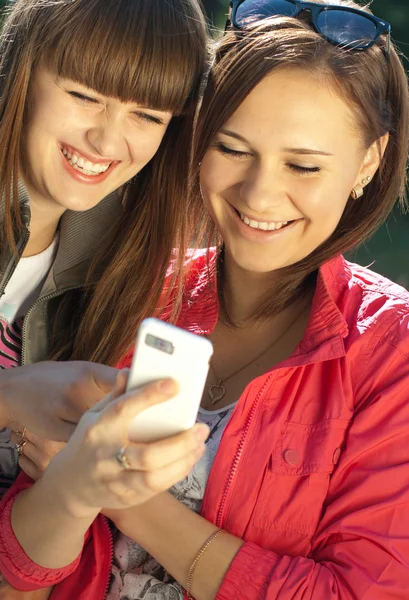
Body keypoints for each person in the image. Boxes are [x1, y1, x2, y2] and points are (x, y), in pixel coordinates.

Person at [2, 0, 409, 598]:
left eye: (302, 165)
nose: (261, 194)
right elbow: (21, 567)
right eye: (232, 149)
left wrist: (128, 501)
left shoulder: (391, 349)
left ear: (367, 163)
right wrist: (71, 487)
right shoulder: (130, 288)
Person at [0, 0, 207, 496]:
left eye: (147, 115)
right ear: (22, 71)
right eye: (85, 95)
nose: (107, 139)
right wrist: (11, 396)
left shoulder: (119, 264)